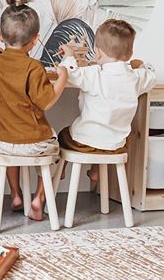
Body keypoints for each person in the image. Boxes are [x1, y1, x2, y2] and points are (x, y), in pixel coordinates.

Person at [0, 0, 68, 221]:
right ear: (36, 39)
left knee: (10, 140)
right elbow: (46, 102)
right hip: (32, 144)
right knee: (56, 149)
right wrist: (63, 78)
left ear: (0, 34)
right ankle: (38, 199)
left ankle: (16, 194)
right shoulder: (34, 68)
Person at [58, 18, 156, 181]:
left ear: (97, 52)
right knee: (104, 136)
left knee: (63, 135)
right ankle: (96, 171)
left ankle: (61, 170)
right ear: (130, 54)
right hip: (116, 146)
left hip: (84, 142)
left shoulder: (93, 74)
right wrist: (141, 65)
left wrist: (69, 55)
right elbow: (152, 76)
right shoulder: (135, 77)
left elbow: (71, 73)